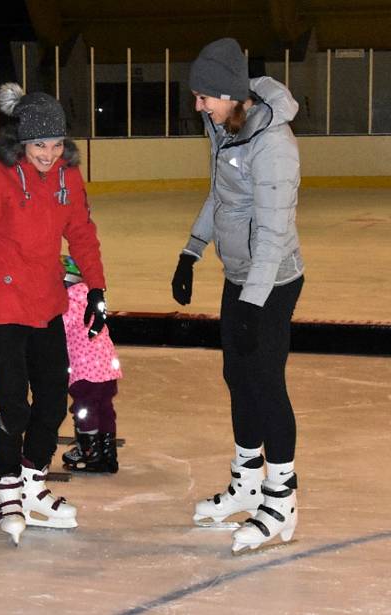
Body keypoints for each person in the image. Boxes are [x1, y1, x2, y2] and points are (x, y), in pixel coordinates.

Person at [0, 82, 108, 545]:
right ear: (21, 141)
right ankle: (7, 488)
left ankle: (34, 482)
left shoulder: (67, 178)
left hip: (47, 304)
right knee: (14, 403)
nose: (49, 153)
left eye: (57, 144)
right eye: (39, 144)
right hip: (3, 307)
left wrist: (97, 287)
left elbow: (82, 233)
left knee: (55, 401)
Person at [171, 38, 305, 553]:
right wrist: (192, 250)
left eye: (205, 96)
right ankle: (247, 481)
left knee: (266, 382)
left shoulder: (274, 146)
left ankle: (282, 499)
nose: (198, 105)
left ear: (231, 93)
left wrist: (253, 305)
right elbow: (221, 194)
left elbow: (272, 234)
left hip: (273, 280)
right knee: (237, 376)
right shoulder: (225, 125)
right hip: (240, 275)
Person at [59, 254, 123, 473]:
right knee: (105, 407)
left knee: (85, 409)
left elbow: (59, 332)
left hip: (85, 370)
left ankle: (89, 452)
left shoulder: (66, 303)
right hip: (107, 367)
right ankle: (108, 453)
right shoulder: (89, 298)